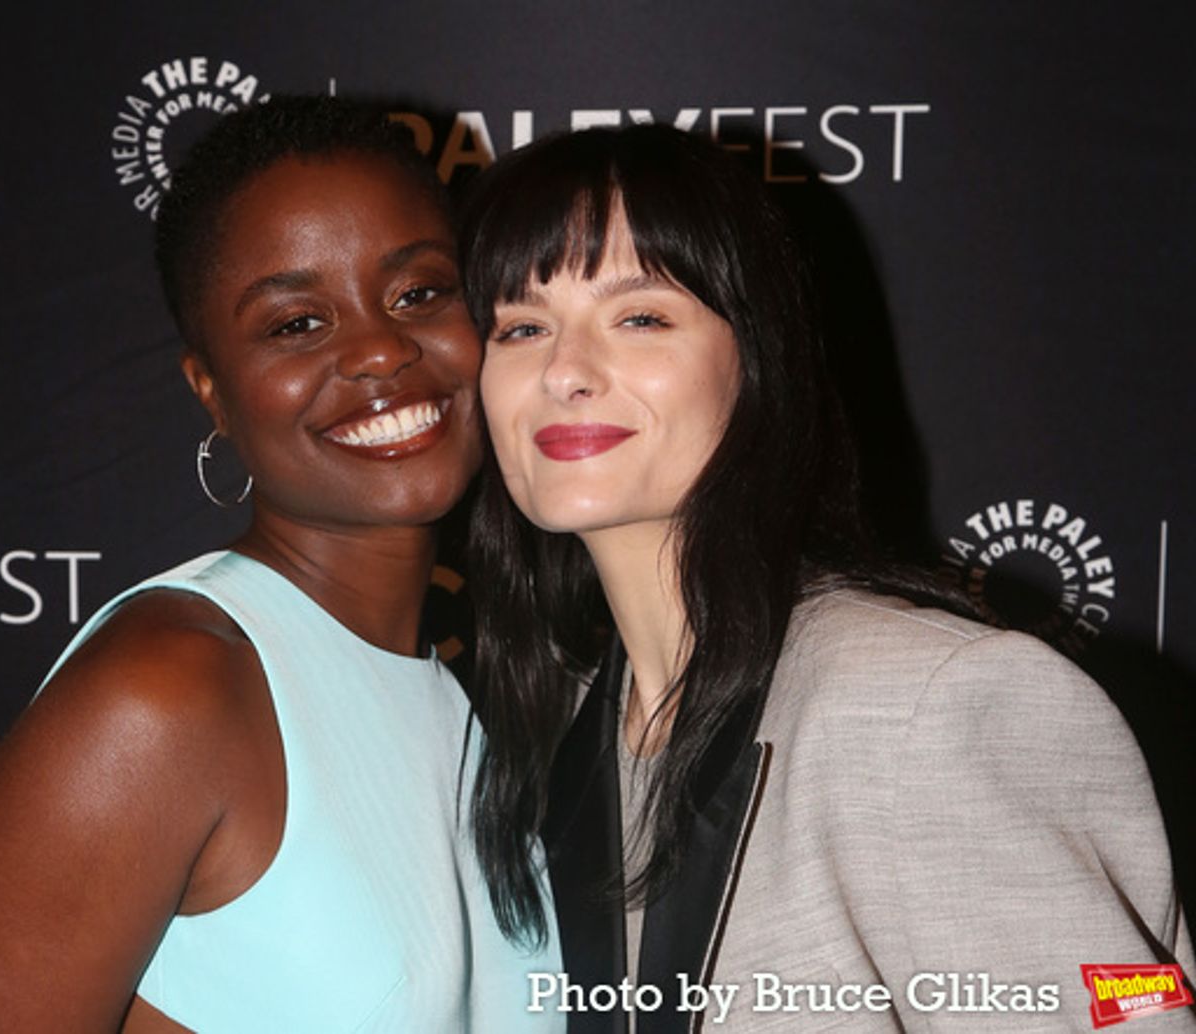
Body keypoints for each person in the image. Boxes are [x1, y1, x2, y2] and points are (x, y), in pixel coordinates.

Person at [460, 123, 1194, 1031]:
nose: (565, 372)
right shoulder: (574, 723)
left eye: (640, 316)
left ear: (754, 357)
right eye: (522, 327)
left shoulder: (929, 704)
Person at [0, 96, 560, 1033]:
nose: (382, 349)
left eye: (420, 292)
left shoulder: (476, 696)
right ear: (212, 391)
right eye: (297, 324)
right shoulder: (165, 695)